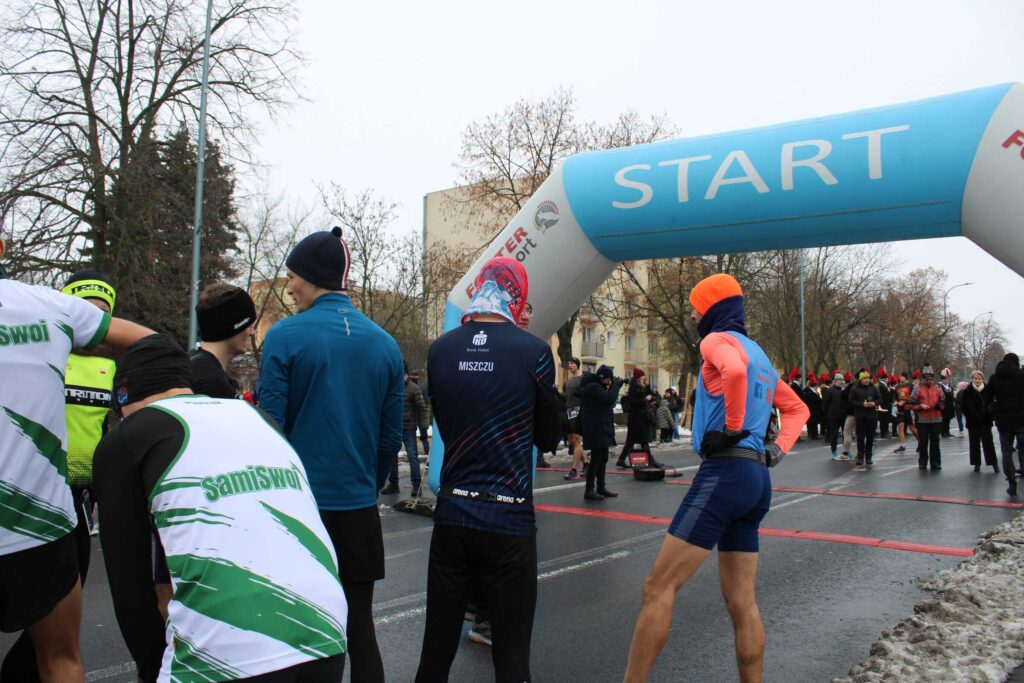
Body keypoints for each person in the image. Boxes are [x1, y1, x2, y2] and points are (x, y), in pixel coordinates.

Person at [94, 335, 348, 682]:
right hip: (325, 629)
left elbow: (129, 585)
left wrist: (152, 668)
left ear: (123, 395)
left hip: (225, 649)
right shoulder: (257, 416)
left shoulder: (128, 437)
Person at [624, 273, 809, 683]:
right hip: (756, 477)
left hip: (725, 471)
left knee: (658, 587)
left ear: (711, 309)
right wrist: (776, 449)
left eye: (696, 308)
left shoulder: (715, 340)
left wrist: (732, 428)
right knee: (742, 603)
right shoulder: (761, 355)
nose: (693, 316)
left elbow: (734, 372)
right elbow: (798, 409)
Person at [0, 231, 152, 682]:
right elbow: (153, 345)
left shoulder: (66, 316)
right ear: (2, 246)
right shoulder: (49, 307)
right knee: (60, 659)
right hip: (41, 524)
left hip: (68, 501)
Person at [259, 227, 403, 683]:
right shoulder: (385, 344)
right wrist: (367, 482)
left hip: (298, 507)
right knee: (359, 626)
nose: (289, 286)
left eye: (292, 276)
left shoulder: (284, 335)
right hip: (358, 506)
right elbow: (390, 437)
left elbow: (270, 430)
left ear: (313, 276)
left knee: (297, 632)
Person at [415, 257, 559, 683]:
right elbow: (549, 438)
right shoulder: (534, 351)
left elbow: (445, 425)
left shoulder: (441, 349)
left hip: (453, 515)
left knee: (435, 652)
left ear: (480, 286)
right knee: (511, 659)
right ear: (517, 294)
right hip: (507, 519)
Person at [190, 282, 257, 398]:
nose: (253, 332)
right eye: (248, 325)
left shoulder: (193, 364)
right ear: (232, 327)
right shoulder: (213, 382)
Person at [381, 361, 429, 496]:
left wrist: (424, 427)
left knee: (412, 456)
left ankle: (416, 485)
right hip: (393, 428)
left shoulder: (414, 389)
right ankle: (393, 484)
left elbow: (422, 408)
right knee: (392, 456)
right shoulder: (391, 387)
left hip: (409, 428)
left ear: (406, 375)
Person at [580, 365, 623, 501]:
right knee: (596, 459)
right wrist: (616, 386)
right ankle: (589, 489)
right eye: (609, 379)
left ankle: (601, 487)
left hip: (601, 427)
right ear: (603, 377)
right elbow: (609, 399)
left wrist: (613, 387)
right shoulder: (593, 387)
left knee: (603, 458)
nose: (610, 381)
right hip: (596, 428)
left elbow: (608, 401)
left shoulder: (598, 387)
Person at [984, 353, 1024, 495]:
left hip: (1003, 421)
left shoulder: (995, 378)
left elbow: (988, 398)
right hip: (1021, 419)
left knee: (1006, 453)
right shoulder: (1021, 376)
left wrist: (994, 408)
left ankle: (1012, 483)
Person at [616, 368, 656, 468]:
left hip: (640, 417)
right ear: (638, 377)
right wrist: (645, 399)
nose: (644, 379)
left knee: (636, 441)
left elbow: (646, 395)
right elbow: (633, 401)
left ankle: (621, 459)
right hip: (636, 418)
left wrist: (647, 387)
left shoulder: (640, 386)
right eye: (642, 377)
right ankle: (650, 460)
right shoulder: (633, 387)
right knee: (638, 440)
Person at [959, 371, 998, 473]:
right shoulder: (967, 391)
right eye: (975, 378)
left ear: (982, 379)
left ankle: (994, 464)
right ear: (972, 379)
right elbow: (963, 406)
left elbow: (992, 403)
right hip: (972, 422)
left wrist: (989, 413)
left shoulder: (988, 390)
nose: (977, 380)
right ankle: (977, 464)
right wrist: (970, 415)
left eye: (979, 378)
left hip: (985, 421)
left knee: (988, 443)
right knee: (974, 444)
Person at [910, 365, 944, 471]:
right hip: (923, 420)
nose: (929, 381)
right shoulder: (917, 389)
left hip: (936, 419)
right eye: (927, 379)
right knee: (923, 442)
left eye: (931, 379)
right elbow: (910, 404)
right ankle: (923, 462)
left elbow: (943, 401)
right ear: (923, 379)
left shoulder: (938, 389)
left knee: (935, 442)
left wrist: (939, 406)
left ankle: (935, 463)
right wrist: (920, 406)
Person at [848, 371, 882, 466]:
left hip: (872, 416)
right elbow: (851, 402)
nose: (867, 380)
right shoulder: (855, 389)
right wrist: (862, 404)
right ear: (861, 379)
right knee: (860, 437)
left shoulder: (873, 388)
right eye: (865, 378)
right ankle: (860, 457)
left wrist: (874, 403)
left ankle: (869, 456)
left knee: (870, 437)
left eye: (868, 378)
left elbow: (880, 398)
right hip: (860, 416)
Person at [563, 357, 588, 480]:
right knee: (572, 441)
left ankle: (574, 470)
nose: (570, 365)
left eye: (572, 363)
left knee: (576, 441)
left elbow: (586, 396)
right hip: (569, 412)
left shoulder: (583, 379)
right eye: (569, 363)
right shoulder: (568, 381)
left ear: (577, 365)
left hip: (579, 411)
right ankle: (587, 464)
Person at [821, 373, 848, 460]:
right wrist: (829, 413)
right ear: (835, 381)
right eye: (839, 380)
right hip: (833, 416)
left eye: (842, 380)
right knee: (834, 435)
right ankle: (834, 451)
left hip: (844, 416)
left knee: (846, 435)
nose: (841, 381)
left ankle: (846, 451)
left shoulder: (844, 391)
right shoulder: (829, 390)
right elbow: (825, 404)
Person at [893, 374, 915, 452]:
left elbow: (913, 397)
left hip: (908, 408)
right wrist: (895, 401)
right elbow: (894, 397)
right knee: (900, 426)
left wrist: (904, 402)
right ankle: (902, 445)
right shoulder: (897, 387)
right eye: (900, 376)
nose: (900, 377)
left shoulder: (911, 386)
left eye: (902, 376)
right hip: (900, 409)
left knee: (912, 428)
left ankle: (921, 442)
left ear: (905, 377)